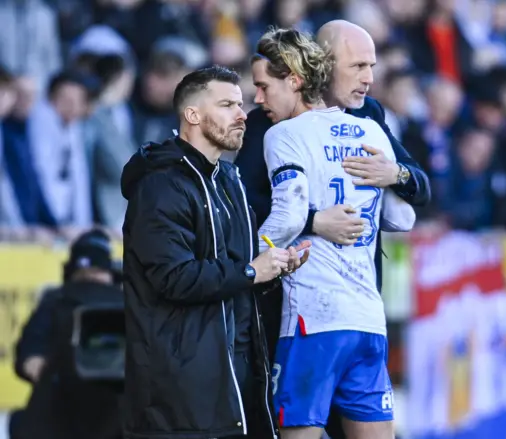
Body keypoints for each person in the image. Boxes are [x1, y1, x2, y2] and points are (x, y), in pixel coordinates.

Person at [235, 19, 430, 439]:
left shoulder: (369, 116)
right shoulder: (265, 126)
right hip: (327, 314)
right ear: (322, 64)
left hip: (318, 314)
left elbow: (419, 191)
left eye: (372, 65)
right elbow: (244, 204)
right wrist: (314, 220)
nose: (369, 78)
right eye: (359, 65)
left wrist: (395, 172)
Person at [120, 65, 308, 439]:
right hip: (180, 396)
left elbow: (241, 271)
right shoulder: (161, 187)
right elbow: (174, 279)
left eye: (240, 104)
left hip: (236, 378)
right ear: (192, 115)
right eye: (227, 105)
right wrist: (253, 272)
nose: (242, 115)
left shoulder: (230, 180)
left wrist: (275, 269)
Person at [11, 228, 124, 439]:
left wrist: (53, 370)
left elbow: (30, 360)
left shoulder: (55, 300)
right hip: (116, 418)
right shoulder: (129, 303)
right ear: (109, 270)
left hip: (59, 416)